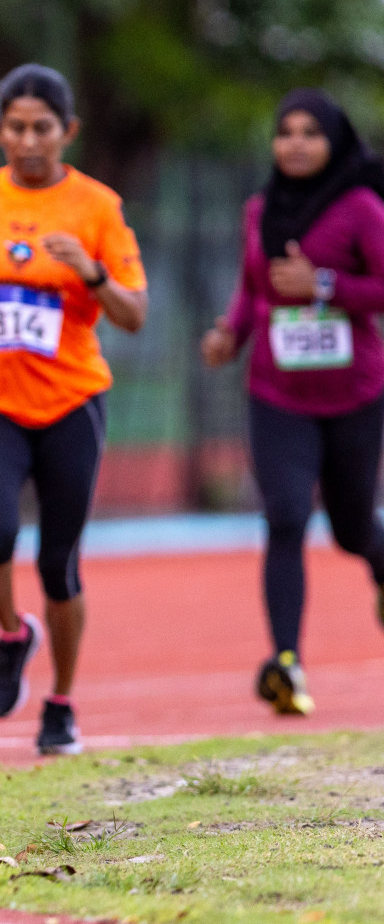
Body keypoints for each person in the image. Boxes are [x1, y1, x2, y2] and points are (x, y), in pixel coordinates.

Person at [0, 64, 148, 756]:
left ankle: (61, 703)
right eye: (15, 128)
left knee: (59, 564)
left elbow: (135, 313)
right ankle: (12, 634)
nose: (28, 140)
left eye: (42, 128)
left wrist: (90, 271)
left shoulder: (98, 208)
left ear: (67, 133)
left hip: (70, 403)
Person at [201, 88, 384, 716]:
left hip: (354, 394)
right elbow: (254, 290)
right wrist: (230, 333)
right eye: (286, 132)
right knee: (284, 516)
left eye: (310, 132)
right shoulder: (261, 210)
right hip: (277, 393)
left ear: (334, 142)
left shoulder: (360, 208)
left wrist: (325, 285)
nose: (296, 144)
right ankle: (286, 664)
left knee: (353, 529)